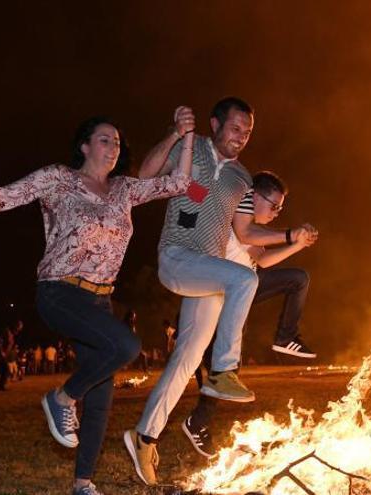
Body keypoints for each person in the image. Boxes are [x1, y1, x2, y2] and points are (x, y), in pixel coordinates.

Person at [0, 111, 194, 495]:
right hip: (59, 291)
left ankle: (83, 484)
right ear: (84, 146)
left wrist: (183, 133)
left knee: (101, 395)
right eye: (104, 139)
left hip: (100, 300)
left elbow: (179, 183)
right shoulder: (59, 178)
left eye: (117, 142)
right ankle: (61, 397)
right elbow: (5, 196)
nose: (114, 147)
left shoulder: (124, 190)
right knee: (126, 346)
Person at [124, 97, 311, 486]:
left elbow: (246, 233)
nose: (241, 137)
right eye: (235, 128)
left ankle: (143, 437)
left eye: (247, 132)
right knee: (245, 280)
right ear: (215, 123)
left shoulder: (242, 178)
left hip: (208, 273)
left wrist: (289, 236)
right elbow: (144, 175)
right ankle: (225, 369)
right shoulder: (191, 148)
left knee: (187, 360)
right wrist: (176, 133)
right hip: (177, 256)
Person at [183, 171, 318, 458]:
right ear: (254, 196)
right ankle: (197, 422)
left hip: (244, 293)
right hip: (218, 298)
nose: (277, 212)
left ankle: (285, 337)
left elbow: (264, 259)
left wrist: (296, 244)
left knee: (299, 278)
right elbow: (244, 234)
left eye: (281, 208)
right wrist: (290, 234)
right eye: (274, 205)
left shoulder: (252, 230)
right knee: (225, 370)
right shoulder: (233, 216)